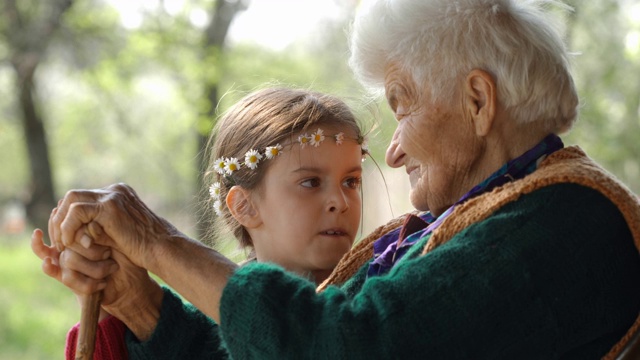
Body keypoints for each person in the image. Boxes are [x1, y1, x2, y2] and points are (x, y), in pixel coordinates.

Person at [42, 0, 640, 358]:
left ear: (478, 103)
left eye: (401, 104)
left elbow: (343, 348)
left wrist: (158, 243)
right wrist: (138, 300)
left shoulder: (566, 222)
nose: (396, 151)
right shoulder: (470, 222)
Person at [31, 86, 369, 359]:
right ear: (245, 206)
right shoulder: (210, 314)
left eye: (351, 182)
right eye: (311, 183)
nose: (340, 202)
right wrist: (103, 304)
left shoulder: (371, 303)